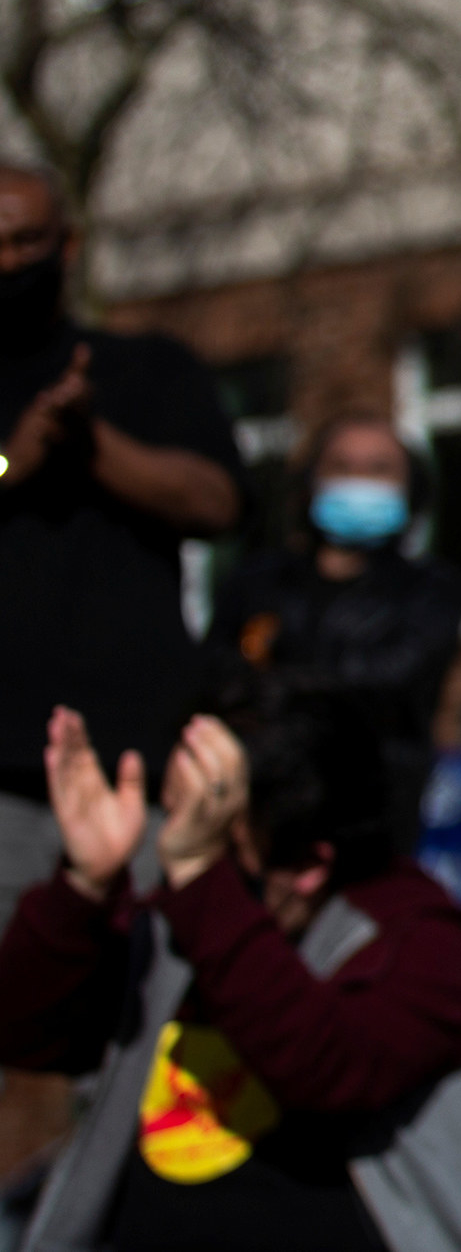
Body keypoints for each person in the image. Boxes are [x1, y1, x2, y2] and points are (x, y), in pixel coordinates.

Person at [0, 683, 461, 1251]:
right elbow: (25, 1032)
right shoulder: (186, 908)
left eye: (215, 835)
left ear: (308, 863)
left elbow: (326, 1065)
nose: (175, 845)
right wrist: (85, 886)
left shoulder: (419, 943)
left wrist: (201, 877)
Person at [0, 166, 242, 920]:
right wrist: (14, 458)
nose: (8, 263)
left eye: (24, 241)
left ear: (67, 246)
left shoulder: (148, 370)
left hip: (135, 758)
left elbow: (216, 502)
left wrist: (92, 443)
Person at [211, 416, 461, 848]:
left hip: (378, 813)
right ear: (310, 483)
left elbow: (392, 685)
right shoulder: (257, 582)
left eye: (379, 470)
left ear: (412, 492)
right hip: (261, 810)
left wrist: (279, 669)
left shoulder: (432, 590)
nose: (358, 483)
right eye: (342, 468)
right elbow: (217, 675)